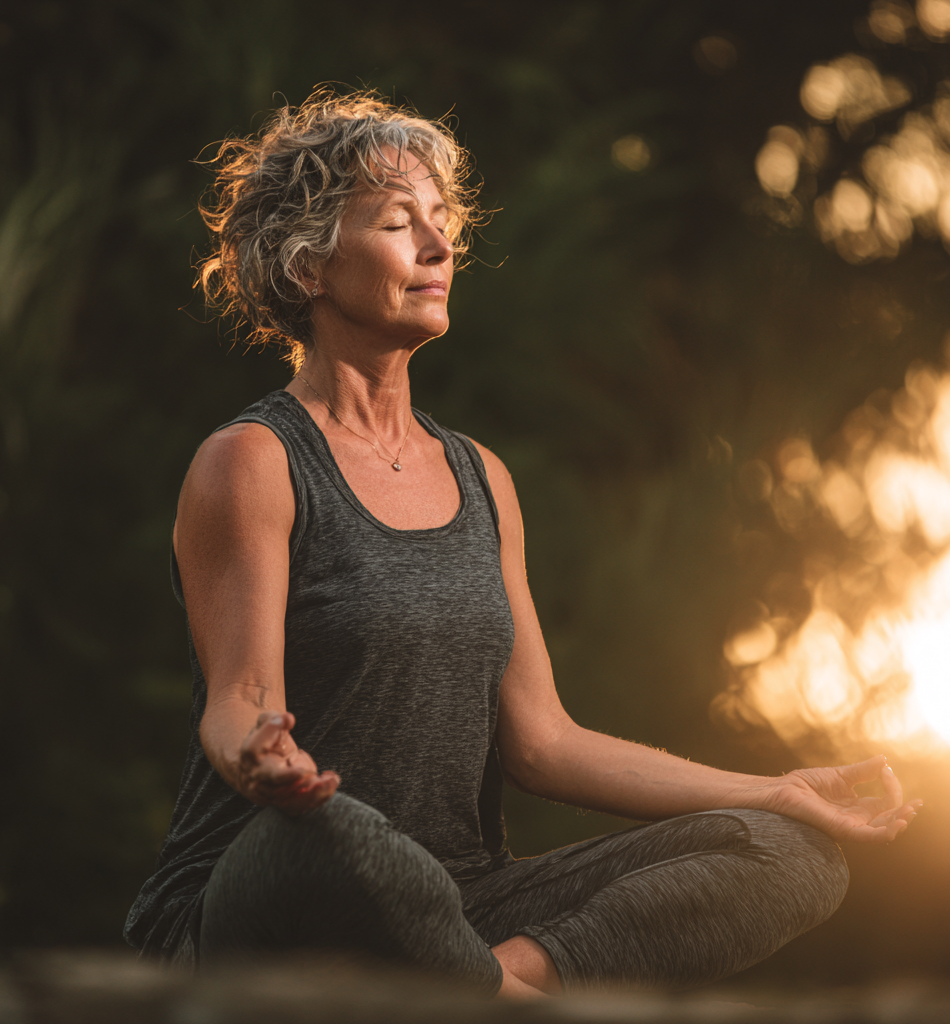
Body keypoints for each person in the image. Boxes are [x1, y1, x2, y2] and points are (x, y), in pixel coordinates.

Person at [123, 90, 920, 997]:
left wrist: (778, 788)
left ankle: (500, 985)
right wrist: (261, 755)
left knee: (793, 853)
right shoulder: (254, 462)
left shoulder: (481, 480)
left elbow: (544, 744)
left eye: (442, 221)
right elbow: (238, 698)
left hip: (455, 908)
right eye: (397, 222)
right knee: (340, 835)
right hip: (274, 884)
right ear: (308, 265)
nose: (438, 246)